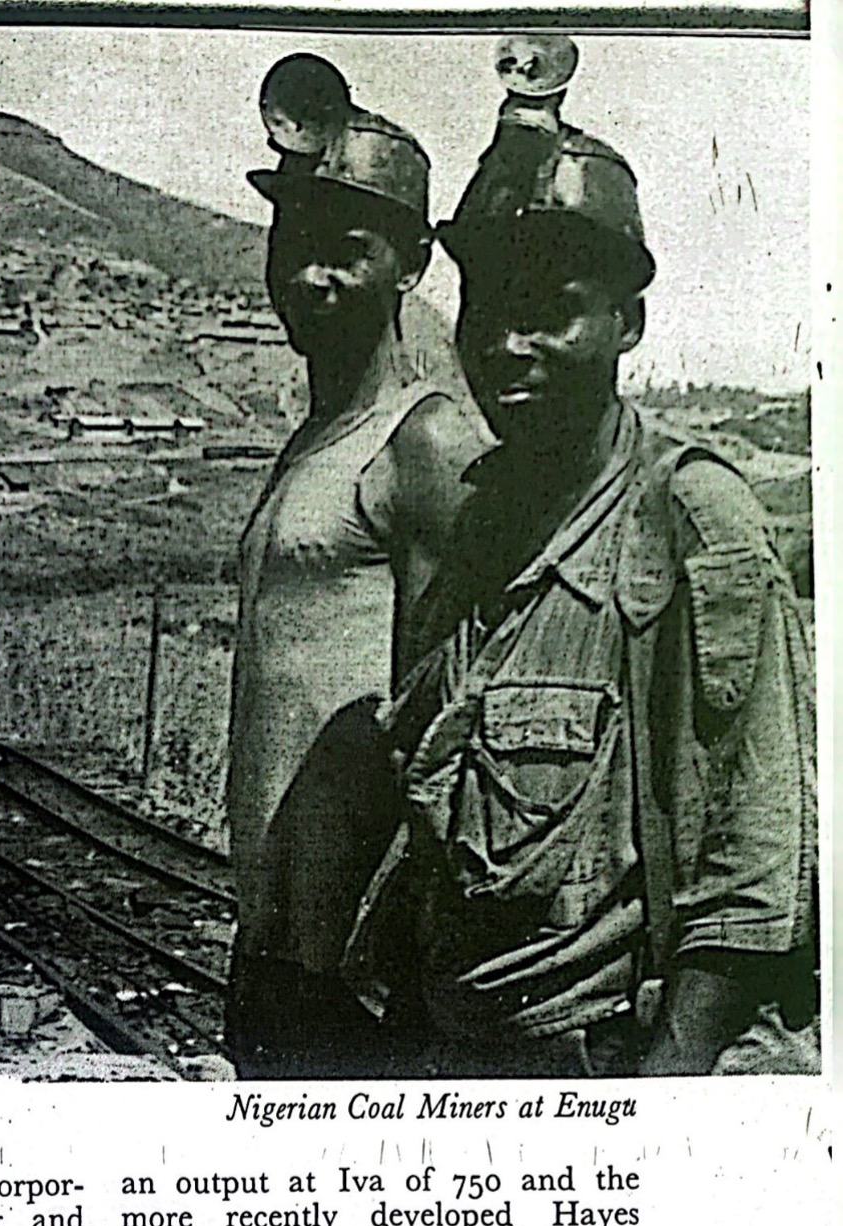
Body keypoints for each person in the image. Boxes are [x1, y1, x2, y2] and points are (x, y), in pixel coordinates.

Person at [347, 37, 817, 1078]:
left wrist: (653, 1112)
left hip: (601, 1074)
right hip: (451, 1059)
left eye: (549, 312)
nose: (507, 347)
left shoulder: (692, 520)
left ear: (626, 322)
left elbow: (752, 878)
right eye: (488, 311)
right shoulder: (481, 517)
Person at [225, 54, 488, 1078]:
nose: (310, 276)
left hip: (346, 975)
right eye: (291, 246)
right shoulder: (314, 442)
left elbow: (442, 728)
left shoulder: (422, 444)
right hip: (274, 946)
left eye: (347, 250)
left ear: (410, 264)